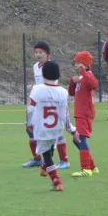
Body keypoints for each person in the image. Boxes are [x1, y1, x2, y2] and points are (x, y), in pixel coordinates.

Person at [26, 61, 80, 192]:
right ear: (58, 76)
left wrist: (29, 123)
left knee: (47, 156)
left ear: (43, 74)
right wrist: (72, 130)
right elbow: (65, 114)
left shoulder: (37, 90)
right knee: (50, 147)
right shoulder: (62, 92)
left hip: (42, 129)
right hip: (56, 128)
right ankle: (44, 168)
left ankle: (57, 182)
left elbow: (30, 109)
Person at [22, 41, 70, 170]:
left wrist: (34, 88)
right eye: (36, 52)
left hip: (50, 102)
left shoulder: (51, 66)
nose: (38, 55)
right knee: (30, 128)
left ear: (47, 54)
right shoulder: (35, 66)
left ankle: (64, 160)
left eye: (40, 52)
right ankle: (37, 159)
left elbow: (52, 84)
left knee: (54, 130)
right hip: (38, 103)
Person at [68, 51, 100, 177]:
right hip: (79, 112)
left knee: (80, 139)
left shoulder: (88, 75)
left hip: (85, 112)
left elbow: (94, 84)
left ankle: (86, 168)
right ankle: (92, 166)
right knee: (77, 140)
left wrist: (83, 73)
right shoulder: (81, 78)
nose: (76, 66)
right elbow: (71, 93)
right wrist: (72, 81)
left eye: (78, 63)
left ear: (85, 64)